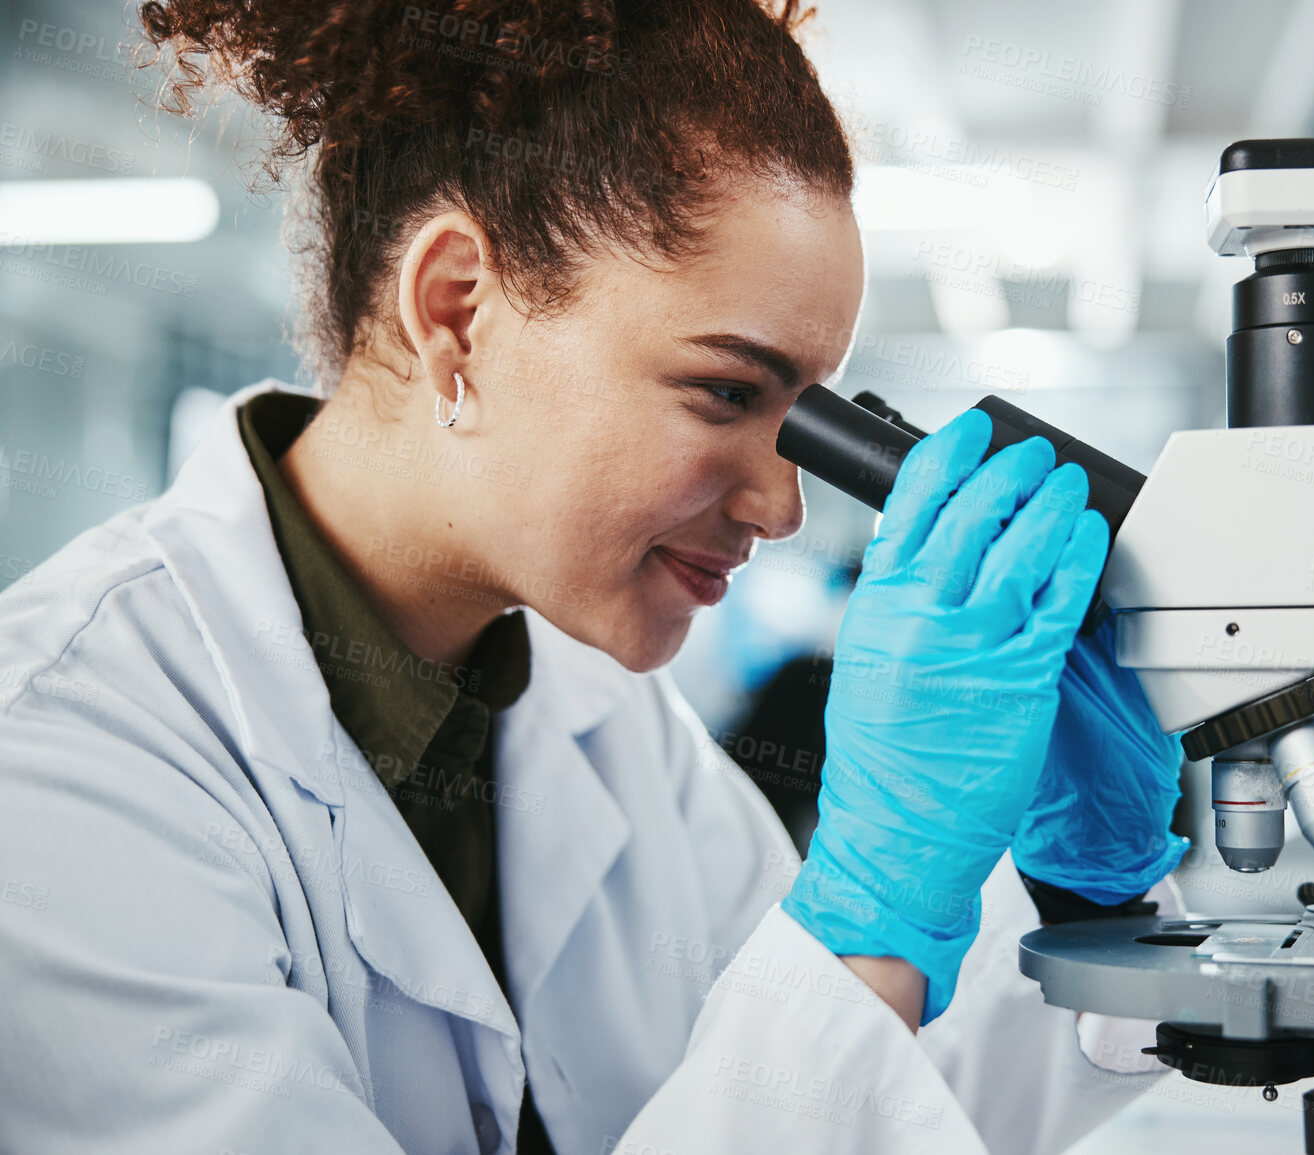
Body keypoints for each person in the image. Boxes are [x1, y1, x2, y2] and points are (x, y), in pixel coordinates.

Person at [0, 1, 1188, 1151]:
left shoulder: (605, 716)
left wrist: (1082, 905)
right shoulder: (64, 759)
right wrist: (864, 926)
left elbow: (874, 1094)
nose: (782, 506)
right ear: (456, 309)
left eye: (806, 420)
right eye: (729, 393)